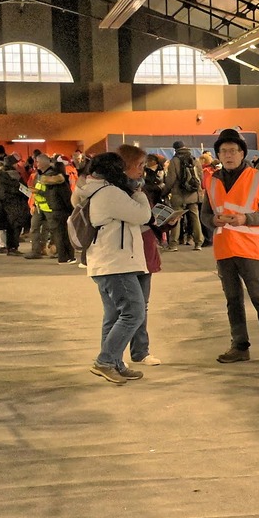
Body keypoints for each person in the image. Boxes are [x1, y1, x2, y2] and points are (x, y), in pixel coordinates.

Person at [75, 152, 151, 384]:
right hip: (115, 263)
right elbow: (143, 215)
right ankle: (105, 361)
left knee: (114, 315)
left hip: (104, 262)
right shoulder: (109, 193)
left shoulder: (92, 189)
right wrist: (139, 194)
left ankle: (115, 363)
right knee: (134, 312)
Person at [208, 128, 259, 366]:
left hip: (249, 248)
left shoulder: (258, 178)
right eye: (224, 151)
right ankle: (240, 346)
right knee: (233, 300)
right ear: (218, 155)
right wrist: (212, 220)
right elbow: (205, 214)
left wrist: (245, 219)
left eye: (233, 151)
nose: (228, 155)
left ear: (242, 153)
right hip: (224, 248)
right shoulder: (212, 180)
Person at [118, 144, 161, 366]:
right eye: (139, 165)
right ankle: (113, 356)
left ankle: (140, 351)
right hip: (123, 255)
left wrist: (165, 221)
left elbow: (148, 218)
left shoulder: (140, 188)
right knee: (122, 310)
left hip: (145, 251)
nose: (142, 169)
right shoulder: (115, 192)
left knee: (141, 306)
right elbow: (141, 216)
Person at [164, 141, 204, 250]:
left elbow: (171, 179)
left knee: (176, 218)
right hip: (193, 193)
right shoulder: (194, 159)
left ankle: (173, 244)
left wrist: (165, 192)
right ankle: (198, 243)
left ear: (175, 149)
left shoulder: (174, 161)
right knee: (195, 218)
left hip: (179, 194)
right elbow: (200, 177)